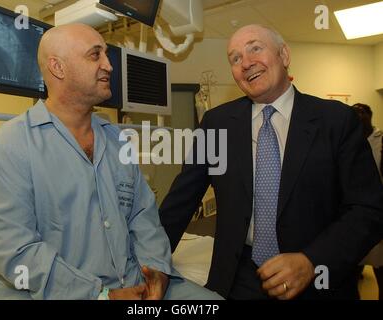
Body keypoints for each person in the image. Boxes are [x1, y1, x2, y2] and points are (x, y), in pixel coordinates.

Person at [0, 23, 222, 300]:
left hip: (136, 282)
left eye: (106, 54)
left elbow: (144, 216)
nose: (109, 65)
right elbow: (16, 250)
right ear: (58, 68)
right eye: (95, 55)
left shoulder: (116, 139)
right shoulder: (11, 146)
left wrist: (157, 269)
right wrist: (102, 295)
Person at [159, 24, 383, 300]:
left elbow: (368, 209)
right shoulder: (216, 124)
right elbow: (181, 202)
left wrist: (311, 261)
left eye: (255, 48)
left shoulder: (336, 121)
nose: (246, 63)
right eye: (235, 58)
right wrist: (150, 262)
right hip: (237, 280)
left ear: (284, 55)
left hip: (318, 281)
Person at [352, 103, 383, 300]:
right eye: (356, 114)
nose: (360, 117)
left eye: (364, 113)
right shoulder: (349, 140)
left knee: (380, 265)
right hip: (354, 212)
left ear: (370, 116)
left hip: (378, 211)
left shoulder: (381, 141)